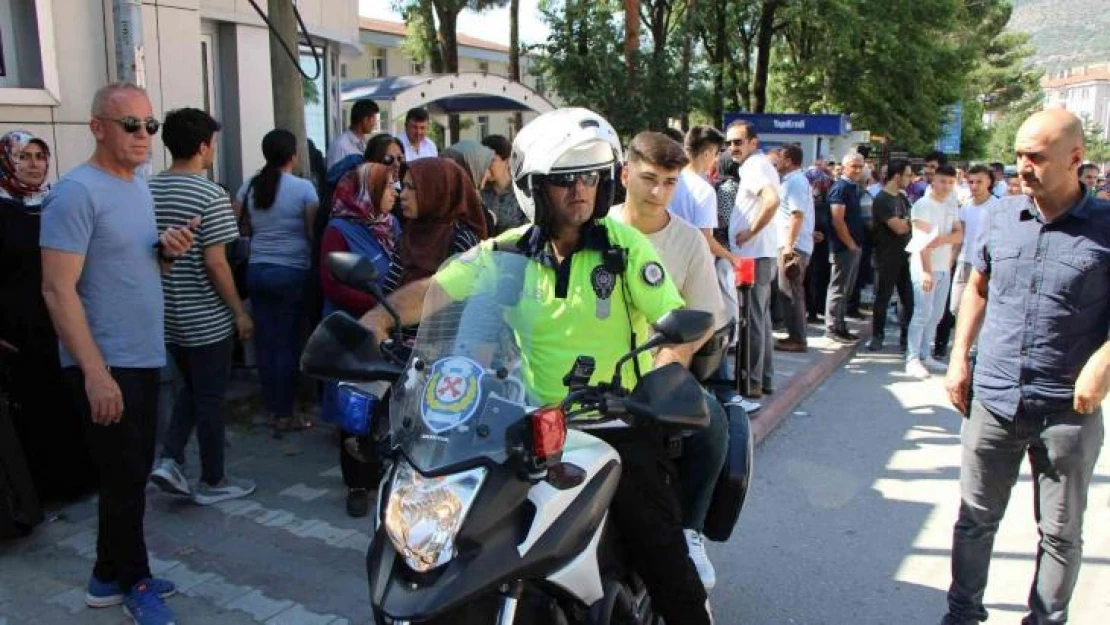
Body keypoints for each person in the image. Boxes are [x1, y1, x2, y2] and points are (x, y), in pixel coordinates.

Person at [360, 108, 713, 624]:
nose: (580, 192)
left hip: (614, 423)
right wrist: (375, 321)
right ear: (534, 188)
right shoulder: (509, 251)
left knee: (661, 551)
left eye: (589, 178)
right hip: (525, 428)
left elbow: (677, 320)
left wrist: (665, 373)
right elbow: (438, 289)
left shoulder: (623, 249)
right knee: (465, 536)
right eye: (564, 181)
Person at [942, 109, 1109, 625]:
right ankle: (962, 615)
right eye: (1018, 155)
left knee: (1060, 533)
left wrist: (1103, 362)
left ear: (1075, 160)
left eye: (1036, 157)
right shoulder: (1000, 216)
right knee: (974, 521)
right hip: (993, 398)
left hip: (1067, 408)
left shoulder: (1106, 226)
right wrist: (958, 358)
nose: (1022, 166)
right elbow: (977, 285)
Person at [40, 82, 189, 624]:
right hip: (108, 361)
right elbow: (57, 289)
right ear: (98, 126)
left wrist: (166, 254)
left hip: (142, 354)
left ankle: (113, 574)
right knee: (123, 479)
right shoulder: (76, 193)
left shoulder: (137, 186)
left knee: (132, 474)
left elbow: (129, 266)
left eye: (151, 125)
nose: (145, 136)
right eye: (132, 125)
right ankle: (131, 582)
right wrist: (95, 372)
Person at [610, 130, 730, 592]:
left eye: (670, 182)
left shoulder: (688, 242)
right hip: (586, 375)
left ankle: (690, 530)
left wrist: (667, 367)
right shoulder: (595, 230)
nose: (659, 192)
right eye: (649, 179)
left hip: (655, 377)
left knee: (713, 423)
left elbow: (700, 319)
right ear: (625, 174)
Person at [147, 108, 256, 506]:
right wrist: (239, 312)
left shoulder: (149, 189)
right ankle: (213, 480)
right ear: (201, 146)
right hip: (207, 318)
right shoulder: (210, 195)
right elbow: (216, 262)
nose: (213, 151)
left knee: (191, 390)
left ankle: (170, 460)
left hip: (167, 315)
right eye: (211, 143)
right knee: (209, 398)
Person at [1, 130, 97, 507]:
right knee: (36, 404)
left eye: (40, 156)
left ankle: (82, 479)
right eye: (23, 157)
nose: (34, 165)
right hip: (20, 326)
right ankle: (44, 490)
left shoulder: (55, 201)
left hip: (63, 316)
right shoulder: (3, 208)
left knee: (70, 396)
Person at [318, 161, 399, 518]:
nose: (395, 192)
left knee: (388, 406)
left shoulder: (391, 225)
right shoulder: (339, 228)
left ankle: (383, 472)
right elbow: (332, 283)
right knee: (353, 409)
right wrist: (380, 305)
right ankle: (356, 484)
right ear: (368, 192)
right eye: (388, 186)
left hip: (391, 330)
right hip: (351, 329)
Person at [235, 129, 320, 434]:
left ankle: (273, 407)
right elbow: (312, 234)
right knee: (289, 344)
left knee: (267, 343)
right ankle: (285, 413)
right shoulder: (304, 189)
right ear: (292, 155)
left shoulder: (248, 188)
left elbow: (242, 229)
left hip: (257, 270)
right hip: (292, 272)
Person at [381, 157, 487, 303]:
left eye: (411, 187)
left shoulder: (460, 240)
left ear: (436, 191)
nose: (402, 195)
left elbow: (460, 302)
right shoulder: (409, 234)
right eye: (403, 186)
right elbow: (390, 290)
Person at [727, 120, 781, 397]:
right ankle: (763, 379)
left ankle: (752, 384)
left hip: (753, 255)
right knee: (760, 318)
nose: (732, 148)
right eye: (729, 143)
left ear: (753, 143)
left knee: (752, 320)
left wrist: (750, 231)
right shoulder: (757, 165)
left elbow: (771, 200)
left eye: (738, 142)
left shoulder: (754, 166)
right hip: (758, 253)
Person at [904, 164, 963, 378]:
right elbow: (922, 241)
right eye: (942, 181)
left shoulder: (951, 203)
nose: (946, 186)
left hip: (944, 267)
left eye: (950, 182)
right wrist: (927, 272)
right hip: (924, 268)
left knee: (937, 314)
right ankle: (912, 359)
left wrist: (943, 240)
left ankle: (925, 354)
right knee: (922, 313)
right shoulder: (922, 205)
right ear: (933, 181)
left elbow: (958, 234)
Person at [867, 159, 914, 353]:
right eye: (908, 175)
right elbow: (899, 227)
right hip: (886, 257)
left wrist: (909, 222)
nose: (910, 179)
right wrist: (911, 222)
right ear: (897, 176)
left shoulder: (902, 199)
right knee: (883, 298)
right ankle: (877, 336)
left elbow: (908, 223)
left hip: (905, 257)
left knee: (908, 299)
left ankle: (906, 338)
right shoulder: (882, 200)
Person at [669, 126, 735, 264]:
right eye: (716, 154)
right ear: (706, 154)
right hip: (693, 263)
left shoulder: (669, 180)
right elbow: (705, 239)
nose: (717, 160)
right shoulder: (704, 190)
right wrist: (732, 258)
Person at [773, 143, 815, 352]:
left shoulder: (795, 182)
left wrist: (789, 245)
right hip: (794, 243)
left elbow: (797, 215)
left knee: (790, 292)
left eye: (779, 158)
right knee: (790, 291)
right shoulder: (793, 181)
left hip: (793, 246)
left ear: (788, 160)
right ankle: (796, 335)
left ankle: (797, 339)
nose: (776, 162)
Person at [824, 152, 866, 343]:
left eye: (860, 166)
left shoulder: (852, 187)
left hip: (853, 246)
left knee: (846, 289)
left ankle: (841, 325)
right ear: (844, 166)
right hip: (843, 247)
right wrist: (850, 244)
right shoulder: (840, 188)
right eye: (854, 166)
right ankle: (833, 327)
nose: (857, 170)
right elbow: (837, 220)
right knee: (839, 288)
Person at [948, 165, 996, 320]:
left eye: (979, 182)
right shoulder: (966, 205)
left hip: (985, 266)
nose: (974, 186)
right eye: (971, 182)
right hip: (964, 262)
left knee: (979, 309)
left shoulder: (997, 206)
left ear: (988, 181)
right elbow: (959, 236)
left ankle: (976, 344)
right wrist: (951, 259)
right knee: (955, 306)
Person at [481, 134, 526, 235]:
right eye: (483, 160)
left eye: (491, 160)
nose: (486, 165)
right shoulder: (481, 193)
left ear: (507, 161)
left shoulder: (521, 193)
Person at [326, 100, 379, 168]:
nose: (374, 123)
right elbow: (333, 176)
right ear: (365, 120)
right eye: (373, 119)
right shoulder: (340, 146)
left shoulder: (364, 144)